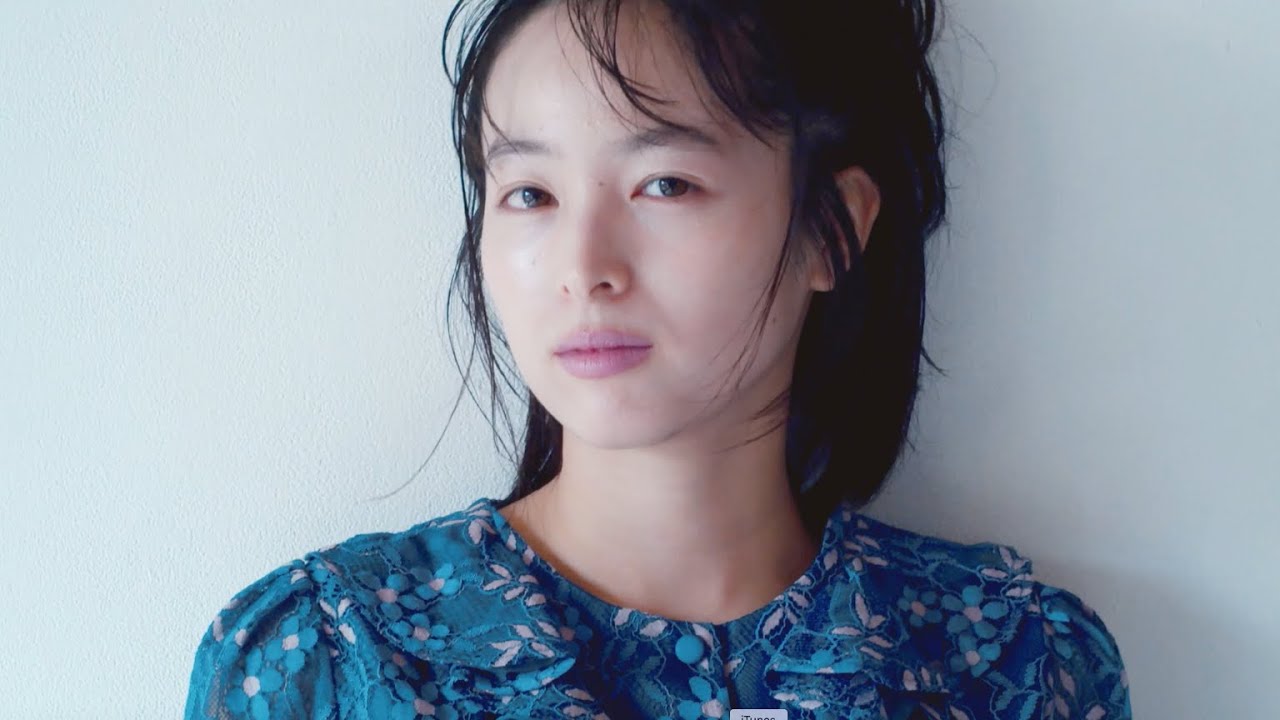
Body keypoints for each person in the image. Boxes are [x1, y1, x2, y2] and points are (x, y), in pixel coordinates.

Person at [184, 1, 1132, 718]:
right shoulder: (327, 662)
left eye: (665, 183)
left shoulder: (1015, 665)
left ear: (831, 229)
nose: (584, 267)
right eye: (529, 194)